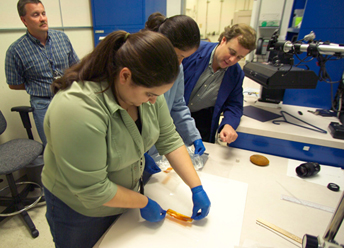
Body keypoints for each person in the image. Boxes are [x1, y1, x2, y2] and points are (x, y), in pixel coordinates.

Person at [41, 30, 211, 248]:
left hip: (123, 196)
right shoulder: (78, 108)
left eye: (158, 95)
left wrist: (196, 186)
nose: (153, 102)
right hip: (80, 208)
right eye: (150, 95)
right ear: (125, 76)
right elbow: (93, 191)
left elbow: (169, 138)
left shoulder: (148, 91)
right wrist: (142, 201)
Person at [5, 0, 79, 146]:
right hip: (42, 103)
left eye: (43, 13)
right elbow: (14, 84)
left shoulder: (61, 38)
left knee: (76, 141)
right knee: (52, 147)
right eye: (35, 15)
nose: (42, 18)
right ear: (24, 20)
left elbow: (76, 66)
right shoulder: (15, 51)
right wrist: (38, 86)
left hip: (68, 96)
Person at [142, 12, 205, 179]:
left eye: (183, 58)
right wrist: (137, 154)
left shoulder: (177, 69)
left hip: (156, 148)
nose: (179, 63)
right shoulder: (140, 65)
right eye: (177, 55)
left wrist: (193, 136)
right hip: (132, 151)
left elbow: (177, 104)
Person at [183, 23, 256, 144]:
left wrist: (229, 124)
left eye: (239, 57)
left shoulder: (236, 74)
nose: (232, 60)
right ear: (223, 40)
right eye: (232, 52)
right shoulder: (193, 51)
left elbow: (234, 105)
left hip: (202, 120)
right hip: (173, 116)